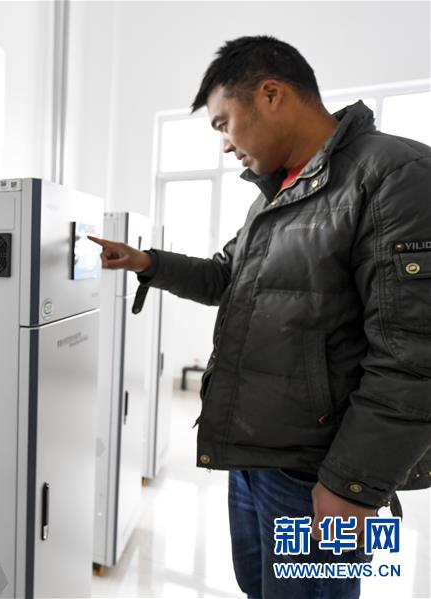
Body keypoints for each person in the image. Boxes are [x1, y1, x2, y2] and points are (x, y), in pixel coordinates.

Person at [89, 35, 431, 598]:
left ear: (271, 94)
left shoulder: (395, 174)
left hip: (319, 476)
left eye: (223, 124)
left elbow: (413, 355)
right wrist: (146, 262)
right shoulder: (272, 197)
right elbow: (226, 276)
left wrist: (353, 485)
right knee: (259, 588)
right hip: (254, 458)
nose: (225, 144)